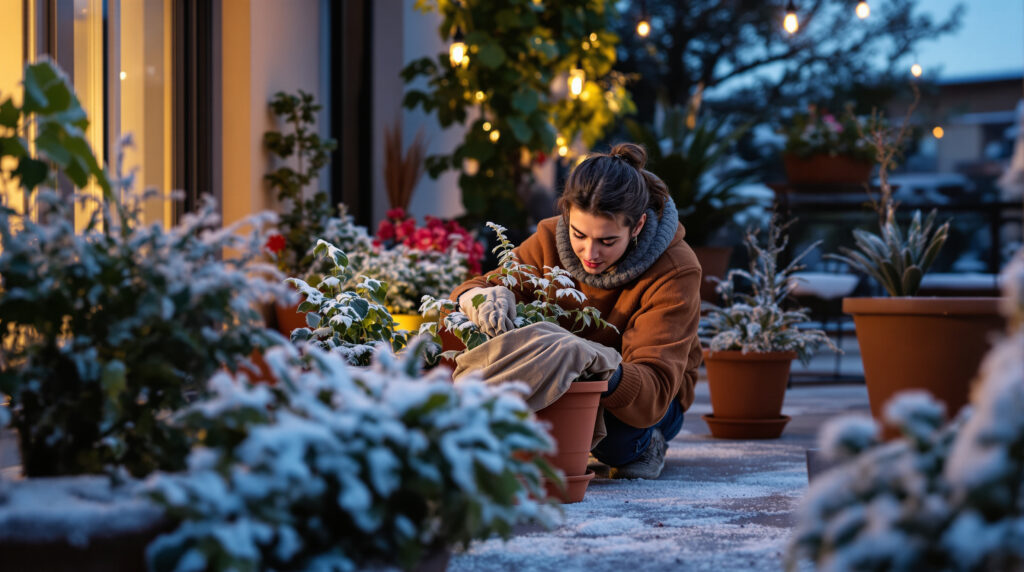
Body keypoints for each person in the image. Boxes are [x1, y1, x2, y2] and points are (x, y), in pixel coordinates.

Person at [450, 142, 703, 480]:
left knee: (615, 444)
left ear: (638, 226)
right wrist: (478, 296)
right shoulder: (548, 238)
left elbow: (654, 389)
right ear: (567, 213)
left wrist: (597, 362)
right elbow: (480, 284)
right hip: (569, 376)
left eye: (608, 241)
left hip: (648, 401)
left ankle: (650, 443)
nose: (590, 252)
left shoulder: (675, 269)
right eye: (579, 234)